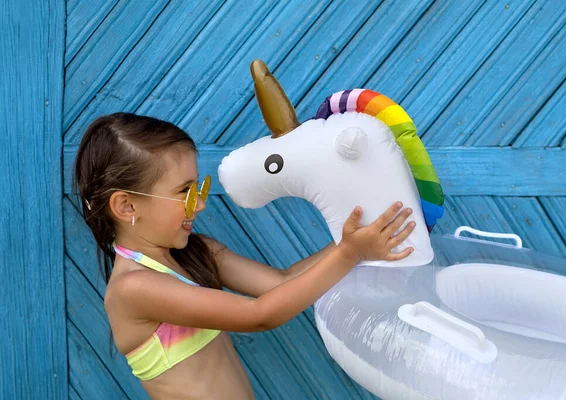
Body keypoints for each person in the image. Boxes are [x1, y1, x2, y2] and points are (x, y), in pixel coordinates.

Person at [74, 112, 416, 399]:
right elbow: (260, 314)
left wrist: (355, 242)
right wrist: (350, 252)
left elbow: (279, 283)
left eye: (198, 188)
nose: (201, 204)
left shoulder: (196, 252)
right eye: (185, 192)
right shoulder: (134, 289)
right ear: (127, 205)